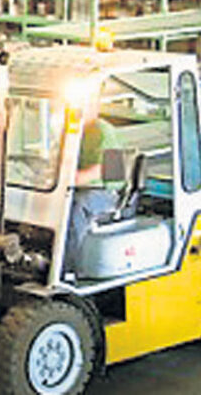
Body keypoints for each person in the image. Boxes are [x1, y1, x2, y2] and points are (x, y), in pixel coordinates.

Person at [65, 97, 123, 274]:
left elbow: (105, 169)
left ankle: (71, 268)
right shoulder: (72, 129)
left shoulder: (103, 131)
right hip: (76, 187)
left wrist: (75, 178)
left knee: (76, 205)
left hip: (105, 192)